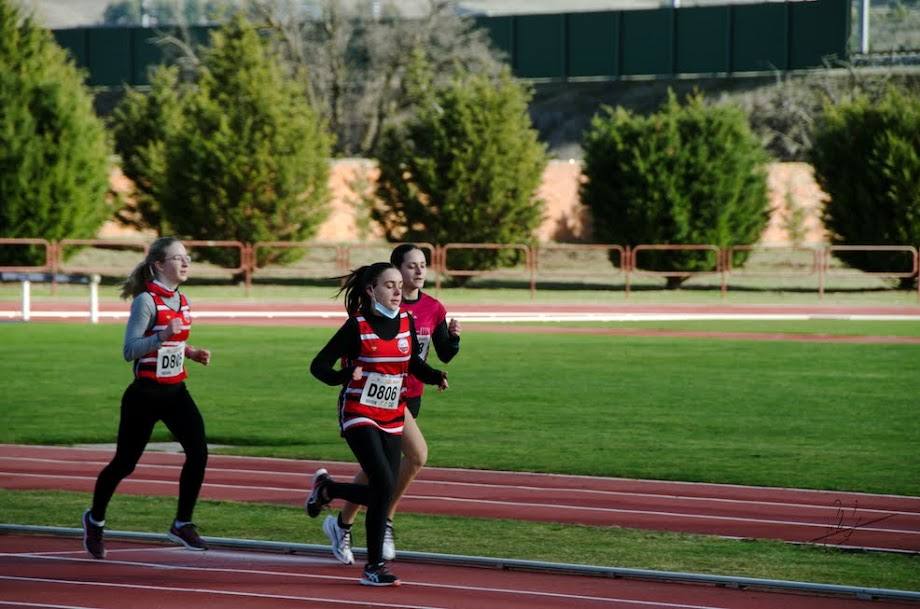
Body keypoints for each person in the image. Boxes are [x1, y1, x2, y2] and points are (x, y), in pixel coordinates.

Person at [307, 262, 448, 587]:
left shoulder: (406, 321)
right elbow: (318, 366)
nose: (398, 291)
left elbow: (412, 362)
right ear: (371, 290)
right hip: (358, 411)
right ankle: (374, 567)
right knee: (384, 485)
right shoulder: (356, 326)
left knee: (382, 489)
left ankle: (328, 489)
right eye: (389, 285)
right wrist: (346, 375)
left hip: (392, 413)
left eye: (399, 285)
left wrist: (434, 375)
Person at [81, 237, 212, 560]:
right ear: (158, 265)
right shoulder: (146, 301)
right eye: (178, 258)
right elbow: (130, 351)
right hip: (145, 395)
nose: (185, 263)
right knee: (125, 464)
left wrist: (191, 352)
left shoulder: (183, 300)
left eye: (187, 257)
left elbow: (173, 345)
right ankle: (94, 519)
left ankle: (182, 522)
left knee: (198, 452)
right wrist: (161, 336)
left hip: (176, 392)